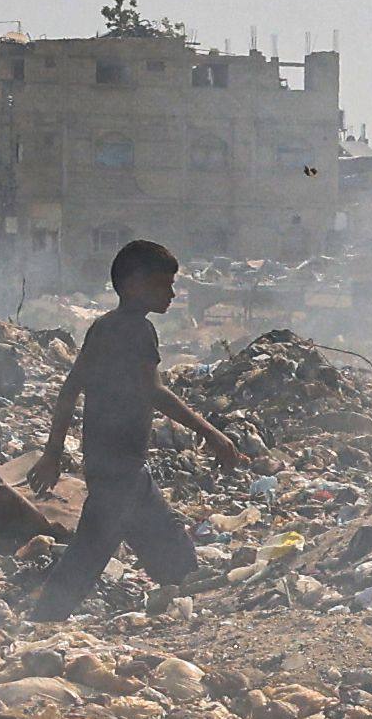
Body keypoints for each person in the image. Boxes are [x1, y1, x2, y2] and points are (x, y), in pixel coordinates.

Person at [27, 239, 247, 618]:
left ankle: (183, 598)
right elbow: (155, 392)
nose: (173, 294)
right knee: (90, 551)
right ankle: (42, 619)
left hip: (114, 463)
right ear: (133, 285)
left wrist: (54, 453)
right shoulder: (137, 330)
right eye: (164, 285)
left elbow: (69, 391)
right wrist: (212, 434)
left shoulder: (102, 327)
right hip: (119, 468)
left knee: (167, 544)